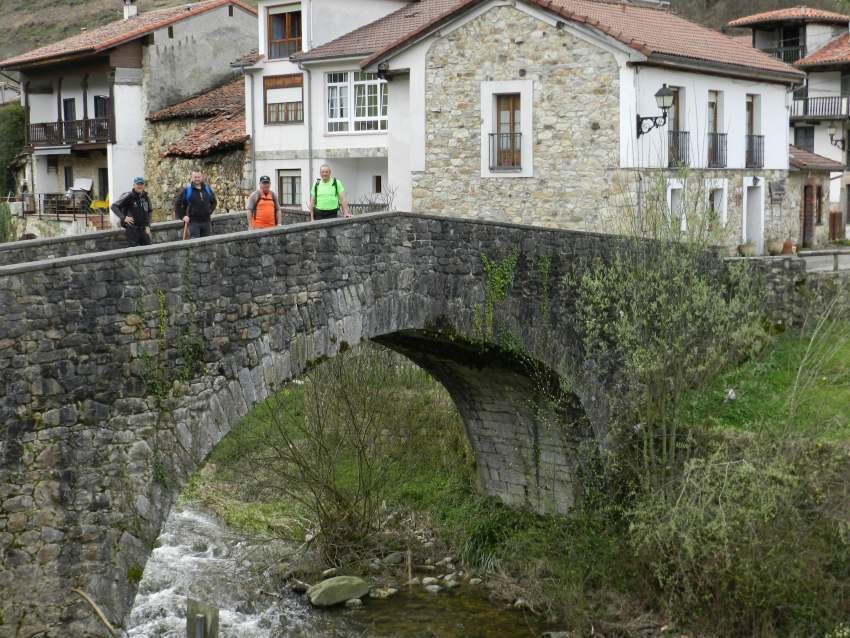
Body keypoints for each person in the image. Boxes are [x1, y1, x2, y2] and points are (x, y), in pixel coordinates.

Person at [174, 170, 217, 238]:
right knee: (195, 246)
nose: (197, 179)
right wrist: (183, 216)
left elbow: (214, 202)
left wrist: (209, 211)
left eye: (198, 177)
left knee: (207, 245)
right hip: (193, 224)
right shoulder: (187, 190)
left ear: (202, 177)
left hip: (207, 222)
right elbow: (177, 204)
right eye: (195, 177)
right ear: (191, 178)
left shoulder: (207, 189)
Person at [111, 177, 153, 247]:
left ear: (144, 185)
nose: (140, 186)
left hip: (143, 229)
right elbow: (114, 206)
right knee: (134, 251)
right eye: (138, 184)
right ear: (134, 185)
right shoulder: (129, 196)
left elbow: (149, 212)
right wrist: (124, 218)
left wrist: (148, 226)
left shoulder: (146, 197)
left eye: (141, 184)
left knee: (148, 249)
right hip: (132, 229)